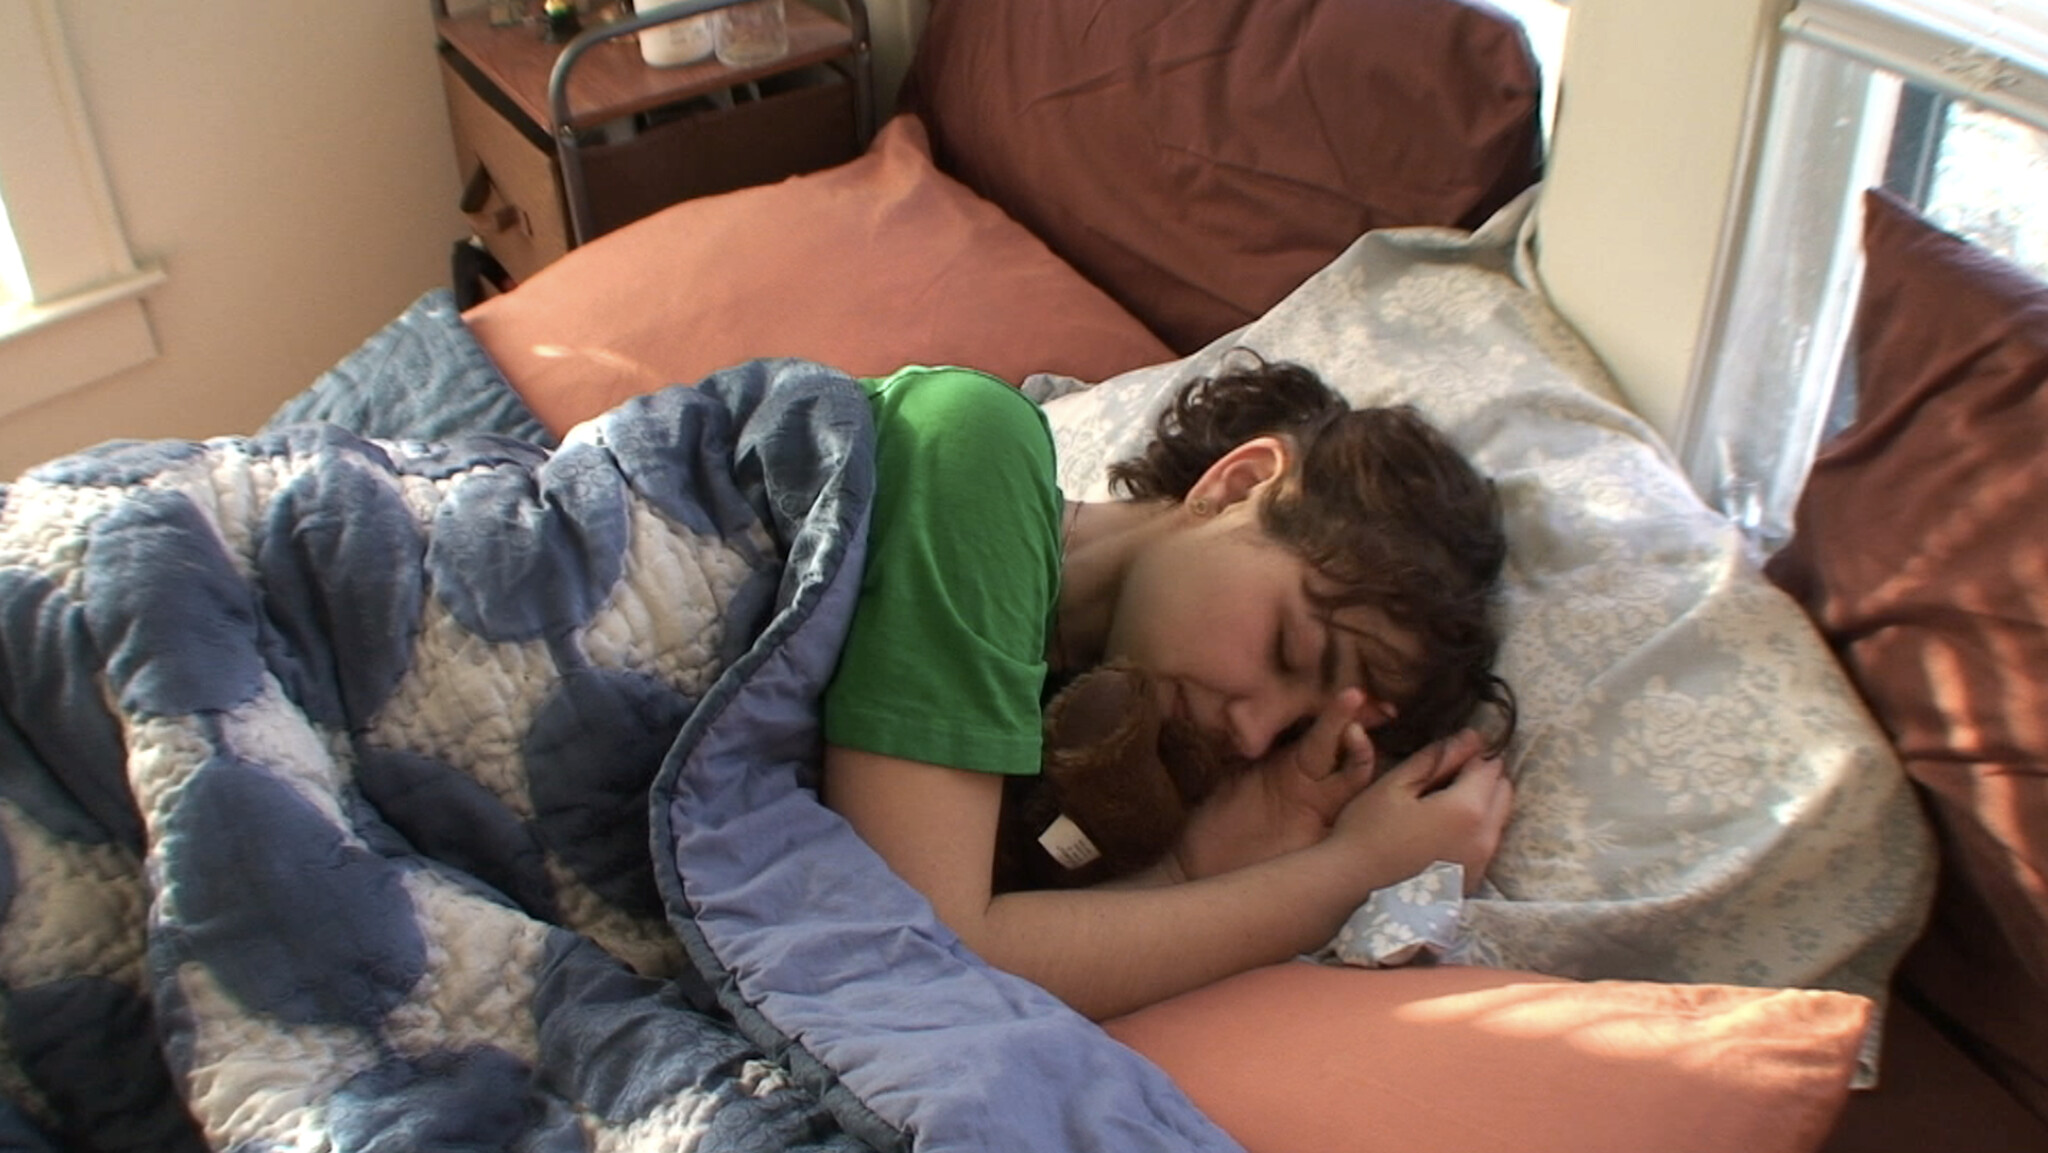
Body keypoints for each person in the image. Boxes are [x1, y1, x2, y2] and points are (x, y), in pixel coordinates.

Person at [820, 354, 1516, 1021]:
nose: (1254, 735)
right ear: (1238, 486)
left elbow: (1013, 946)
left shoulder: (1075, 740)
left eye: (1296, 729)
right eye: (1288, 650)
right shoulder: (978, 446)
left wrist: (1191, 867)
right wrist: (1353, 871)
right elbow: (932, 952)